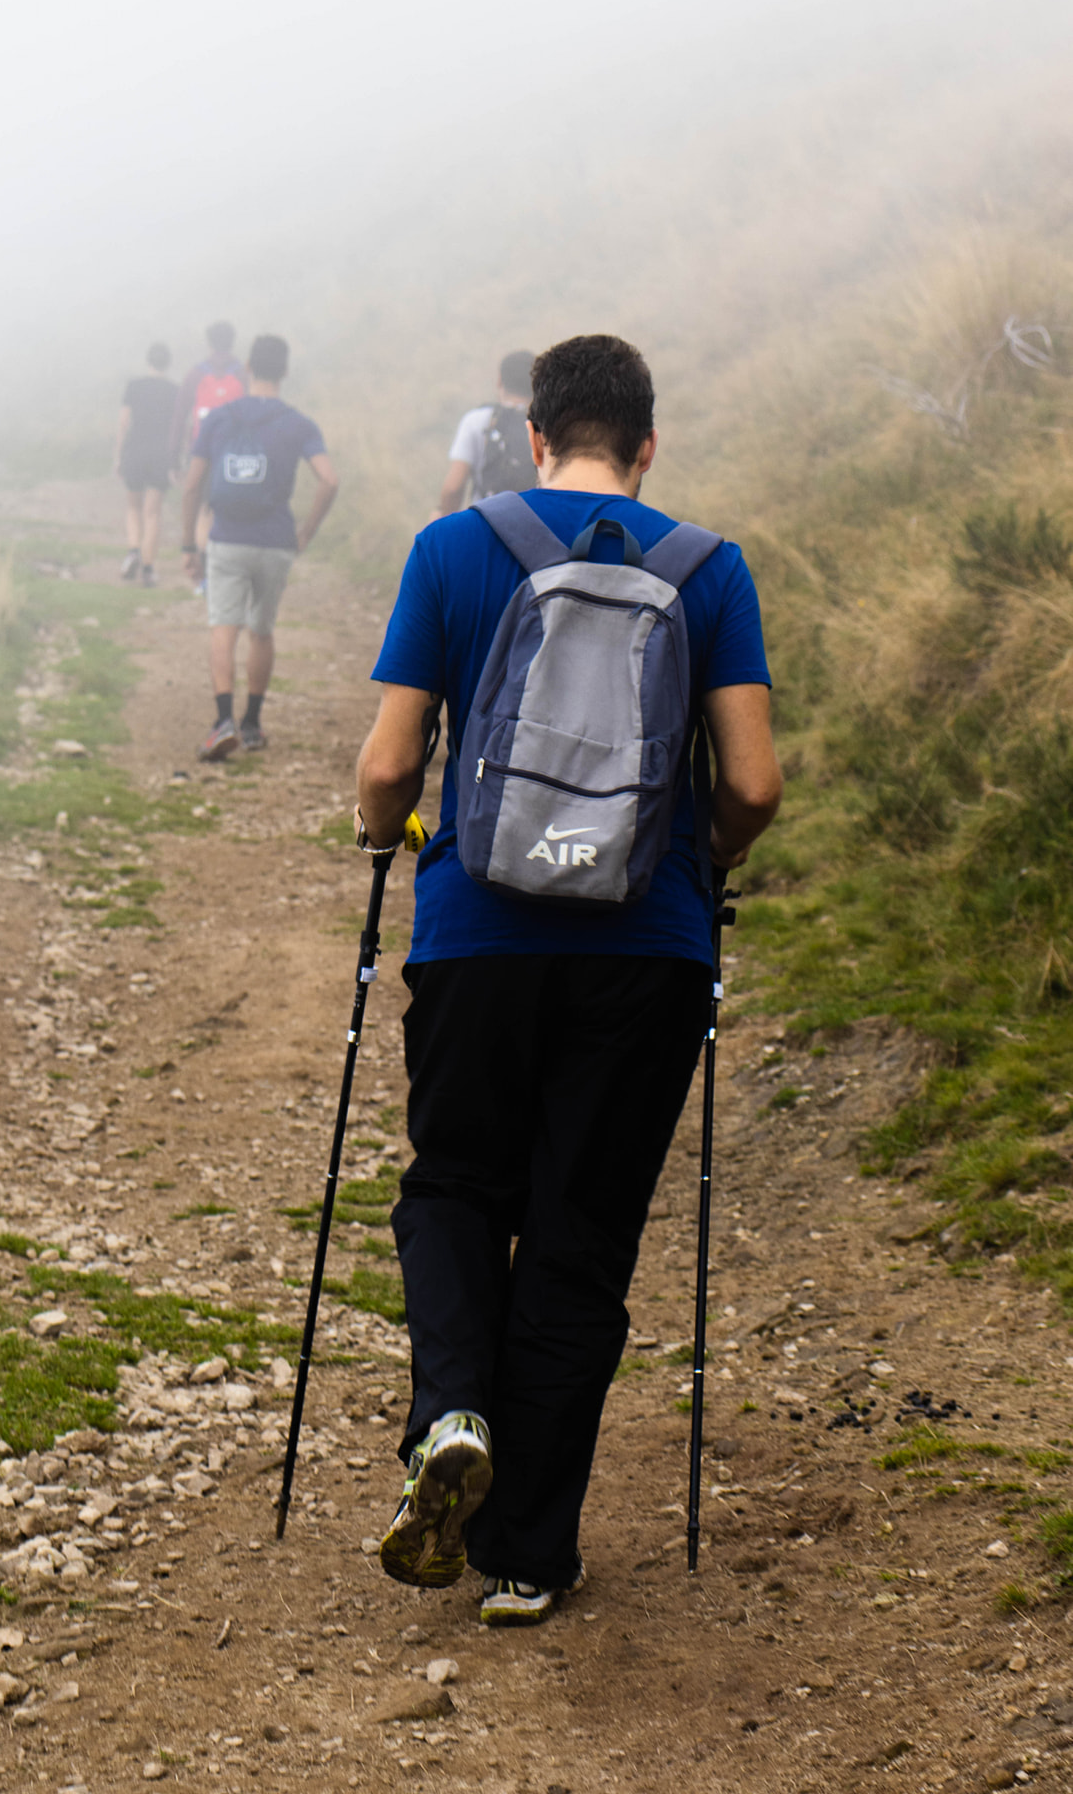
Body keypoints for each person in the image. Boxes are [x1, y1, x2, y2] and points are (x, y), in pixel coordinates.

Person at [354, 332, 782, 1626]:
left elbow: (386, 770)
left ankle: (450, 1416)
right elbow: (753, 784)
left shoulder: (453, 550)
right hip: (644, 954)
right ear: (647, 445)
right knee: (580, 1235)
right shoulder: (710, 570)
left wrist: (390, 843)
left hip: (477, 937)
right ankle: (530, 1556)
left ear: (531, 436)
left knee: (454, 1189)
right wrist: (694, 867)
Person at [180, 334, 339, 760]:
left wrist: (187, 545)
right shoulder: (298, 423)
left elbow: (193, 483)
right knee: (261, 630)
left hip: (227, 538)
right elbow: (329, 478)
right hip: (275, 541)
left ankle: (222, 722)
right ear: (284, 371)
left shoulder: (218, 418)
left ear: (247, 366)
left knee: (223, 628)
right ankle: (252, 724)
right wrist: (305, 532)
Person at [437, 349, 536, 516]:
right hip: (537, 529)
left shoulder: (477, 420)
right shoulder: (548, 425)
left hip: (485, 525)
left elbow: (454, 488)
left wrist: (442, 522)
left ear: (499, 381)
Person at [116, 344, 179, 586]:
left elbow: (123, 423)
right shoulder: (175, 391)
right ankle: (149, 569)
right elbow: (179, 428)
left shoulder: (134, 386)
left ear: (148, 361)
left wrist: (118, 455)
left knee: (133, 507)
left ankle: (133, 550)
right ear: (168, 363)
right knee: (152, 513)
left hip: (135, 451)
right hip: (160, 455)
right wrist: (176, 458)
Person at [172, 321, 249, 472]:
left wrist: (174, 460)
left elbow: (179, 416)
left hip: (200, 453)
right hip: (236, 453)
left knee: (196, 494)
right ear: (232, 343)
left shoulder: (195, 374)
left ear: (210, 344)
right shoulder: (243, 375)